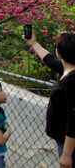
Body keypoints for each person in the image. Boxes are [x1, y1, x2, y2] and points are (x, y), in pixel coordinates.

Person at [26, 31, 75, 166]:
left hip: (69, 143)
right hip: (62, 139)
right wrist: (33, 44)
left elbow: (73, 120)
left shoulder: (71, 81)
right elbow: (50, 60)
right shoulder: (67, 70)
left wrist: (67, 154)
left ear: (60, 52)